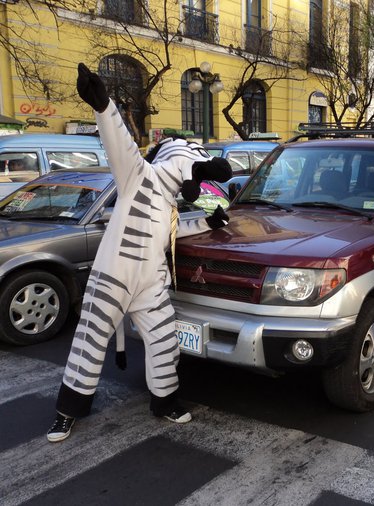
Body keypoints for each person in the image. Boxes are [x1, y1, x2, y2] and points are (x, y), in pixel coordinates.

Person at [47, 63, 232, 442]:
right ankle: (68, 411)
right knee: (90, 341)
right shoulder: (138, 176)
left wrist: (208, 223)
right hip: (113, 276)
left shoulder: (170, 205)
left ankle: (164, 401)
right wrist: (104, 107)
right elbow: (122, 145)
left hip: (150, 282)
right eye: (191, 165)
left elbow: (173, 231)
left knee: (165, 341)